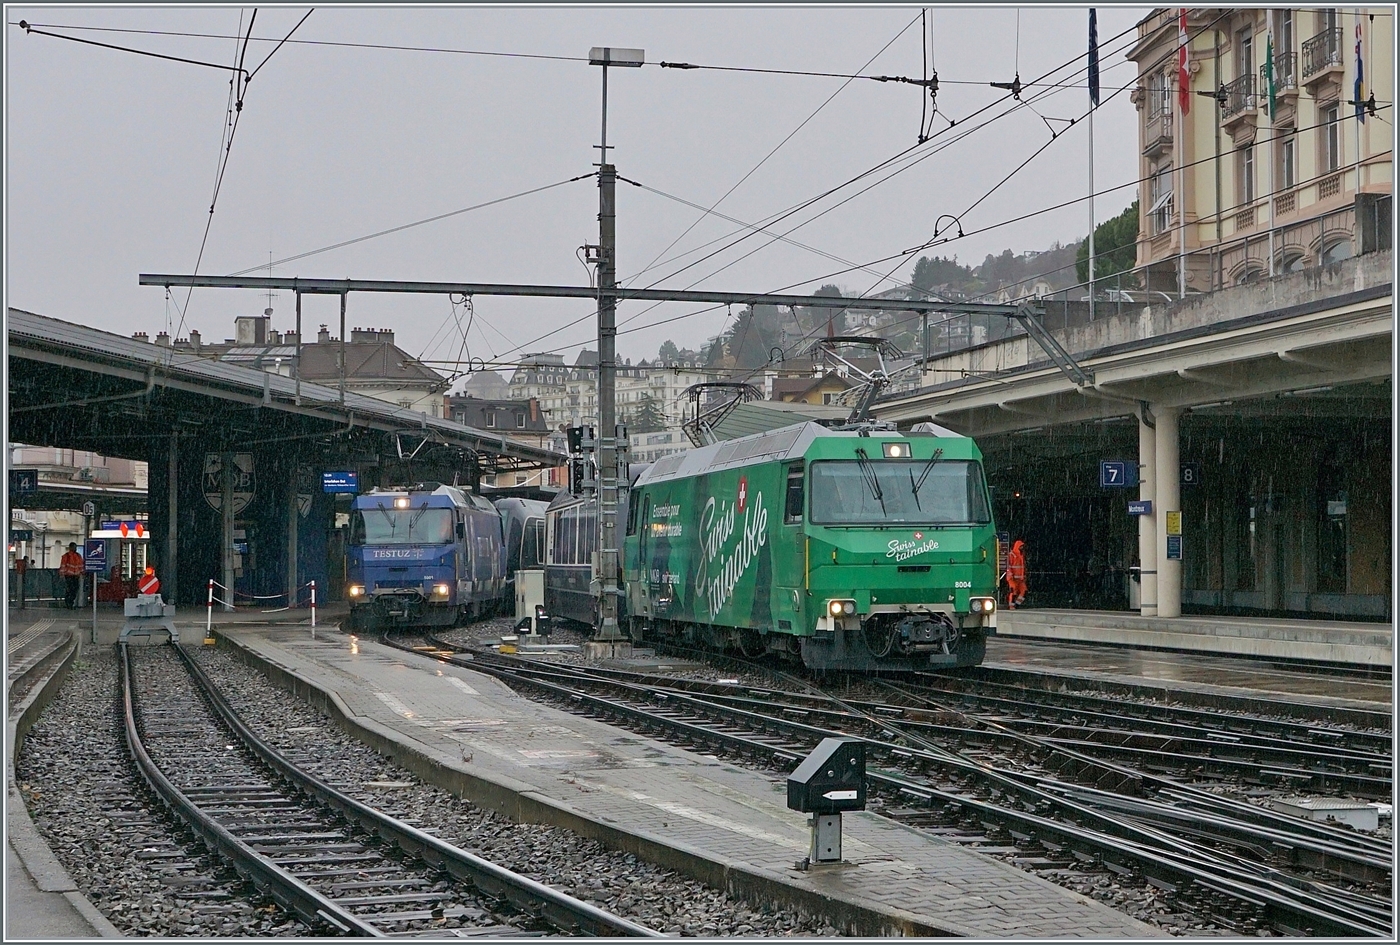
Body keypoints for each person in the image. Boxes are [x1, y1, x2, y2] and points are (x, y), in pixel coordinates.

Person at [60, 542, 84, 609]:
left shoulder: (78, 556)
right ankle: (69, 603)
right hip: (69, 576)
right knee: (70, 590)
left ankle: (70, 602)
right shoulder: (66, 556)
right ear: (70, 547)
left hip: (76, 576)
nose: (75, 548)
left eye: (75, 547)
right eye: (74, 547)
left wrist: (82, 572)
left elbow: (80, 565)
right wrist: (62, 575)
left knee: (74, 590)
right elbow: (63, 566)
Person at [1006, 539, 1028, 609]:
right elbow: (1008, 566)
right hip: (1012, 578)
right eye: (1021, 546)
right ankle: (1011, 605)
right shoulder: (1011, 555)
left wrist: (1023, 576)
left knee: (1024, 591)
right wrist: (1010, 575)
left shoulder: (1021, 555)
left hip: (1020, 578)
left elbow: (1022, 567)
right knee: (1013, 591)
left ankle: (1017, 604)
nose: (1022, 548)